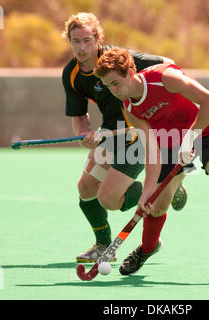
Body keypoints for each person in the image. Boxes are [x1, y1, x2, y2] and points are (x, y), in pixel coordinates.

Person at [94, 48, 209, 284]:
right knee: (156, 206)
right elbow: (152, 149)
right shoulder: (130, 108)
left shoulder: (165, 78)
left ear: (131, 71)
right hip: (171, 144)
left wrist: (190, 137)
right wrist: (146, 192)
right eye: (108, 87)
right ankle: (147, 249)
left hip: (208, 130)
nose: (114, 91)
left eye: (116, 83)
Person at [61, 13, 188, 263]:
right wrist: (84, 135)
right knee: (85, 188)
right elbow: (79, 115)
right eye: (75, 41)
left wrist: (155, 107)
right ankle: (103, 245)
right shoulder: (72, 74)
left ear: (98, 38)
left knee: (108, 199)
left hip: (139, 137)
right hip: (112, 134)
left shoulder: (117, 59)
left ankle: (165, 187)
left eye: (87, 40)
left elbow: (169, 64)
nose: (82, 48)